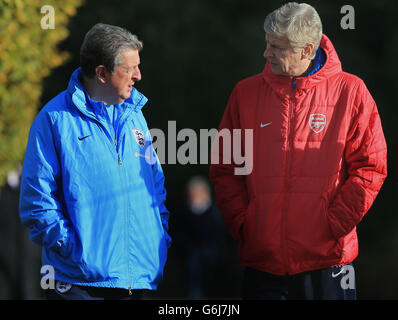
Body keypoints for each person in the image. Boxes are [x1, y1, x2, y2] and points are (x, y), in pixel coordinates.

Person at [209, 2, 387, 300]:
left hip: (329, 264)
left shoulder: (352, 91)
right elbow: (226, 166)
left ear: (306, 50)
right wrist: (244, 222)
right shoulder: (245, 93)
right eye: (267, 44)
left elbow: (371, 167)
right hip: (262, 263)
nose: (266, 54)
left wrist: (335, 224)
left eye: (276, 47)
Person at [19, 23, 171, 300]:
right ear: (102, 73)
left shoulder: (136, 116)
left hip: (139, 280)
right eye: (130, 68)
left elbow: (155, 188)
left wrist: (158, 242)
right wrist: (78, 251)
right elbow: (36, 203)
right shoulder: (53, 120)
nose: (139, 75)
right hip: (80, 285)